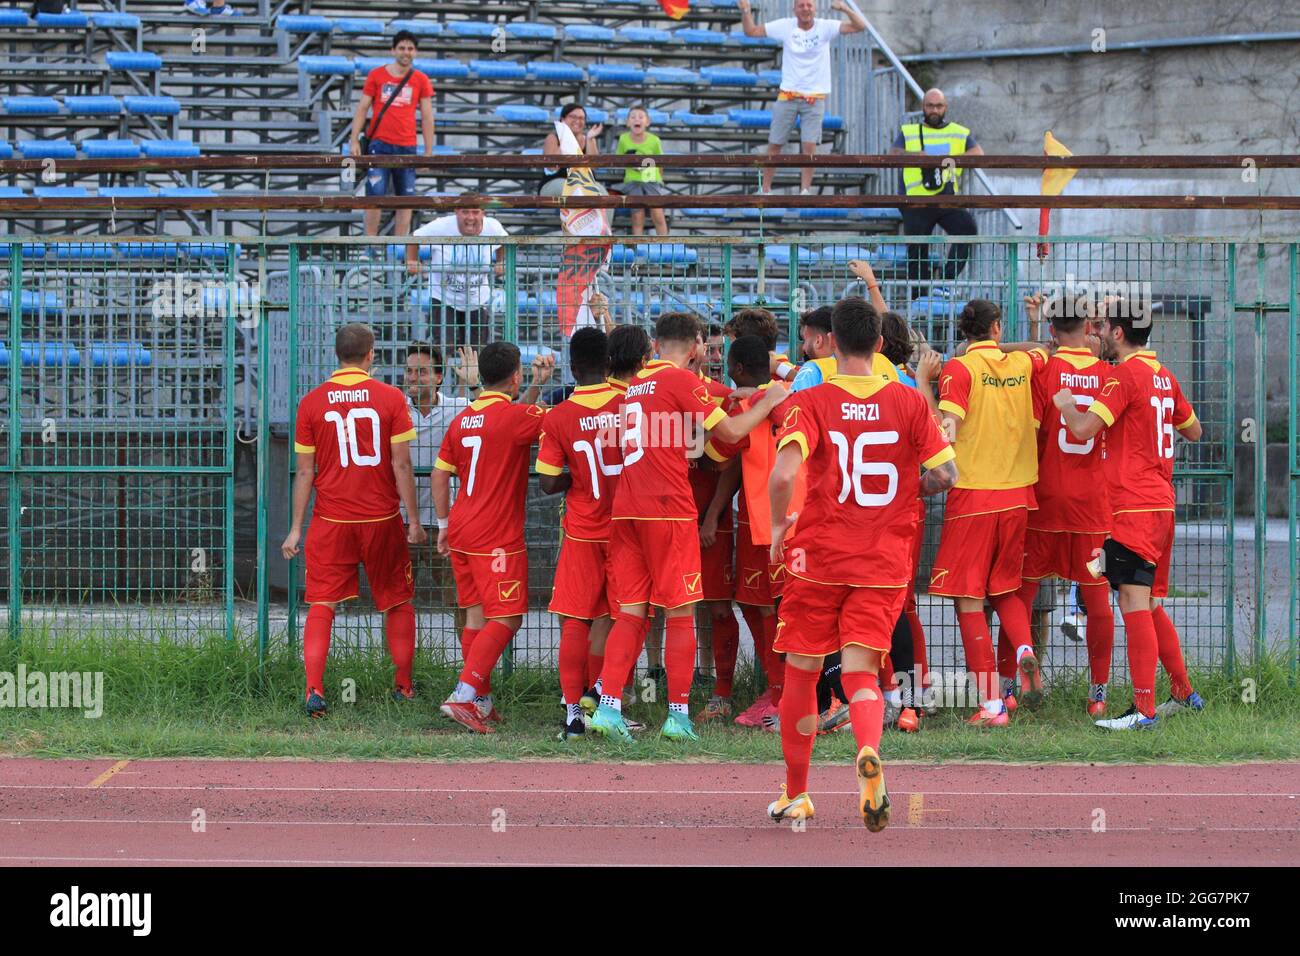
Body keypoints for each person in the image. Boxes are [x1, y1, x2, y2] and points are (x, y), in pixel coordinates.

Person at [766, 296, 957, 826]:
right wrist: (908, 492)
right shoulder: (910, 402)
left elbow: (783, 476)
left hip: (820, 556)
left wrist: (781, 526)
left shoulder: (813, 399)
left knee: (802, 671)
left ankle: (798, 792)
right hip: (883, 559)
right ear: (879, 345)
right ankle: (868, 753)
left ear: (831, 342)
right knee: (862, 671)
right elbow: (946, 475)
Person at [585, 312, 790, 743]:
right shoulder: (680, 381)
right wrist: (768, 402)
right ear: (696, 346)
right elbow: (731, 431)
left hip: (626, 510)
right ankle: (678, 716)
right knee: (680, 613)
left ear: (655, 345)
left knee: (631, 611)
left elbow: (684, 438)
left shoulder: (633, 388)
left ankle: (608, 707)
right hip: (667, 509)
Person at [1052, 303, 1206, 730]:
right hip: (1162, 503)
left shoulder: (1124, 377)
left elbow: (1082, 429)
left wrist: (1066, 404)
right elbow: (1194, 430)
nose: (1096, 333)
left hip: (1133, 505)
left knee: (1133, 602)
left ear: (1118, 334)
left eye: (1102, 327)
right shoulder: (1164, 376)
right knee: (1152, 601)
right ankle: (1183, 691)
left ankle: (1144, 710)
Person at [281, 323, 425, 717]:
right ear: (371, 354)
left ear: (336, 354)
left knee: (322, 604)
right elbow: (401, 463)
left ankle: (315, 690)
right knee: (397, 602)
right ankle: (404, 686)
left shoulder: (311, 403)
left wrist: (296, 527)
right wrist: (413, 520)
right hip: (381, 518)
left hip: (332, 520)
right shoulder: (391, 398)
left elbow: (305, 472)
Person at [915, 299, 1046, 727]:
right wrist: (997, 344)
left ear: (962, 332)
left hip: (974, 495)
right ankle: (1024, 650)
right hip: (1018, 495)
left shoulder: (959, 370)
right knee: (1005, 589)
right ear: (995, 326)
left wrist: (922, 383)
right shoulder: (1022, 363)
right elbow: (1042, 346)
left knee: (968, 598)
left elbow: (944, 431)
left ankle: (991, 704)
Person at [1000, 294, 1117, 717]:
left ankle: (1009, 690)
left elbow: (1032, 430)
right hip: (1091, 504)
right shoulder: (1109, 374)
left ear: (1051, 332)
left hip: (1045, 497)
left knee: (1021, 592)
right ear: (1089, 327)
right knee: (1097, 597)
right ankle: (1098, 696)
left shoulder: (1045, 368)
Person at [431, 343, 555, 733]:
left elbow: (439, 473)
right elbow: (546, 422)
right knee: (509, 617)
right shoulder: (514, 417)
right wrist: (542, 386)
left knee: (475, 615)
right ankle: (463, 695)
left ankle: (481, 700)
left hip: (461, 525)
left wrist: (443, 524)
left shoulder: (463, 418)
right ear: (515, 375)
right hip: (495, 534)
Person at [535, 328, 625, 741]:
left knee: (574, 620)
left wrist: (577, 474)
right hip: (627, 529)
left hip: (583, 530)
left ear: (572, 368)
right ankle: (604, 703)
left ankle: (573, 714)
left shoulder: (558, 416)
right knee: (617, 617)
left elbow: (548, 483)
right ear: (610, 364)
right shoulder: (629, 405)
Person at [737, 0, 867, 195]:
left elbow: (860, 26)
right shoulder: (785, 25)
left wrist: (845, 8)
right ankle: (765, 189)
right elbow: (751, 31)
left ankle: (805, 190)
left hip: (814, 97)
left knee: (809, 146)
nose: (806, 8)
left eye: (809, 5)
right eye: (801, 5)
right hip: (788, 94)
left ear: (815, 8)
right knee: (775, 143)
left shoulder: (825, 26)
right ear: (794, 9)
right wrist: (746, 11)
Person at [402, 343, 477, 617]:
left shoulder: (457, 408)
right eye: (409, 371)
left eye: (421, 371)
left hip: (444, 524)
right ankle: (396, 661)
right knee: (396, 603)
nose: (412, 377)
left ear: (438, 377)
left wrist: (474, 384)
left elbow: (492, 415)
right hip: (402, 523)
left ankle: (471, 660)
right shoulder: (396, 409)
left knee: (461, 602)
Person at [888, 88, 984, 288]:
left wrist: (952, 160)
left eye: (938, 106)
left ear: (945, 108)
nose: (934, 110)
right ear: (923, 107)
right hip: (916, 200)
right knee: (917, 249)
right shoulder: (910, 131)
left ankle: (945, 280)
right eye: (930, 105)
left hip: (946, 198)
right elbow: (894, 153)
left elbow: (978, 153)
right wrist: (917, 156)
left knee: (967, 229)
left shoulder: (958, 132)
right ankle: (918, 296)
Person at [350, 31, 435, 239]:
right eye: (402, 48)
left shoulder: (420, 79)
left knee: (406, 198)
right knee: (375, 195)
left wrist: (428, 151)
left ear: (415, 52)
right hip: (379, 144)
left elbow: (427, 116)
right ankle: (370, 243)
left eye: (410, 48)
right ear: (393, 50)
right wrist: (354, 139)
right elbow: (362, 108)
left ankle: (400, 245)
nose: (406, 52)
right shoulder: (376, 75)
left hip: (407, 145)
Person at [406, 206, 508, 347]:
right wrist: (412, 260)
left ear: (482, 213)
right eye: (465, 211)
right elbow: (414, 238)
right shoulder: (441, 225)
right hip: (443, 296)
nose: (470, 217)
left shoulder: (492, 226)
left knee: (477, 349)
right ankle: (442, 369)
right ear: (456, 212)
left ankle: (473, 370)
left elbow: (505, 242)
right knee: (443, 347)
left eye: (475, 212)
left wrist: (501, 261)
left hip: (476, 298)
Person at [616, 106, 669, 237]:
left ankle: (666, 243)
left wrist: (658, 178)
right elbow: (618, 159)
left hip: (651, 179)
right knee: (637, 214)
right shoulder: (623, 139)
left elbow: (661, 161)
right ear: (628, 122)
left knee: (657, 213)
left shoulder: (654, 140)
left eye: (640, 117)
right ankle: (638, 244)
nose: (636, 120)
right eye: (633, 117)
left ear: (647, 122)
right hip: (632, 181)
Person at [539, 104, 604, 197]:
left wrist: (589, 139)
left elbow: (593, 167)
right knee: (575, 190)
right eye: (573, 117)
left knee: (603, 194)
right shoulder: (553, 138)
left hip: (584, 184)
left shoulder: (589, 139)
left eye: (582, 118)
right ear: (562, 119)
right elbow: (552, 167)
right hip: (554, 183)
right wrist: (565, 138)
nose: (577, 121)